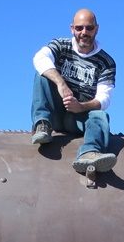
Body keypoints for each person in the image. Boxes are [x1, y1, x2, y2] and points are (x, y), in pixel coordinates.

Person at [31, 9, 118, 174]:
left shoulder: (106, 62)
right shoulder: (61, 46)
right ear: (72, 29)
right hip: (56, 111)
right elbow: (39, 58)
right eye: (79, 28)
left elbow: (104, 98)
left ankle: (89, 152)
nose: (84, 32)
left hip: (78, 119)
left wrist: (81, 107)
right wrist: (61, 83)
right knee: (42, 74)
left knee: (100, 115)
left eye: (89, 28)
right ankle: (43, 124)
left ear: (96, 29)